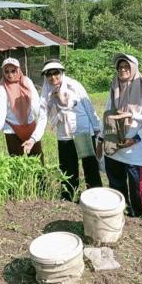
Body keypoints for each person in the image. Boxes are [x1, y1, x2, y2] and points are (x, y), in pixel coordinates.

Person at [101, 54, 142, 220]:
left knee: (136, 184)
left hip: (133, 147)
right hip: (114, 144)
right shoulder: (114, 87)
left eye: (126, 67)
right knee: (115, 182)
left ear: (134, 68)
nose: (122, 70)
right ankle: (120, 212)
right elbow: (107, 114)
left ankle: (139, 215)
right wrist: (102, 139)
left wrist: (136, 139)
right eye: (120, 67)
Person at [40, 59, 104, 201]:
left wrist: (96, 127)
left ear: (62, 73)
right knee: (67, 167)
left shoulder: (74, 85)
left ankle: (95, 197)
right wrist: (34, 137)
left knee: (89, 165)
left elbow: (88, 106)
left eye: (56, 73)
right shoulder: (47, 92)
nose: (53, 77)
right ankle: (69, 197)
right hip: (64, 134)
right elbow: (43, 115)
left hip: (81, 130)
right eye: (48, 74)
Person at [0, 57, 47, 158]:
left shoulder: (27, 81)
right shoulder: (2, 89)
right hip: (12, 129)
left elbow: (35, 101)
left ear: (19, 70)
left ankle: (40, 175)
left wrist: (41, 118)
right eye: (7, 71)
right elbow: (1, 112)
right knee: (16, 161)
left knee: (37, 159)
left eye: (13, 71)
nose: (10, 74)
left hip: (30, 125)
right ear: (3, 72)